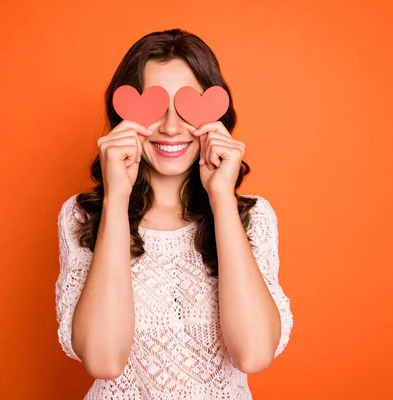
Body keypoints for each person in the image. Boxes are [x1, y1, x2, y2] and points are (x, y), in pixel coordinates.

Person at [55, 28, 293, 399]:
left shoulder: (254, 218)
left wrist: (221, 199)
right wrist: (117, 195)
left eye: (186, 108)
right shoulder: (83, 217)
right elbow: (103, 360)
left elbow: (254, 353)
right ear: (125, 114)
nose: (169, 127)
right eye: (153, 108)